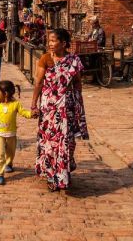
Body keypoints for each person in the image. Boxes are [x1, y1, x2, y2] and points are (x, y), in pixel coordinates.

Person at [31, 28, 88, 191]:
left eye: (54, 40)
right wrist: (34, 104)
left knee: (67, 141)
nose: (50, 44)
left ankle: (64, 173)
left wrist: (77, 102)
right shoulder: (45, 59)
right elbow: (39, 83)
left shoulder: (74, 60)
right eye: (49, 41)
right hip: (49, 108)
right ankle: (51, 176)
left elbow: (77, 82)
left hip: (67, 107)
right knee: (50, 142)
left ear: (64, 43)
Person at [0, 81, 33, 185]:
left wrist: (32, 114)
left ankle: (9, 164)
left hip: (11, 134)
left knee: (11, 152)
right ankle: (0, 174)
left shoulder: (15, 104)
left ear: (6, 94)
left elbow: (23, 112)